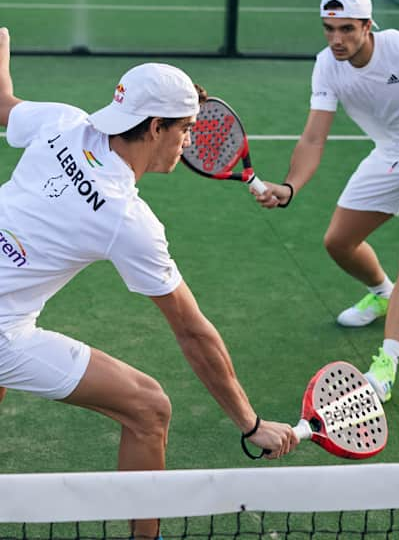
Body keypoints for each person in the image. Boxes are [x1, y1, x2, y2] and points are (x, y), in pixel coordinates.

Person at [0, 27, 298, 539]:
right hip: (6, 329)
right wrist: (251, 424)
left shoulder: (62, 122)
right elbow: (192, 332)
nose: (188, 144)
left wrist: (2, 48)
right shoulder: (126, 217)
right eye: (185, 130)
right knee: (149, 408)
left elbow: (2, 104)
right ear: (156, 126)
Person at [255, 0, 399, 404]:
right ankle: (384, 294)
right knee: (339, 242)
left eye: (346, 29)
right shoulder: (327, 65)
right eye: (329, 29)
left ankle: (387, 364)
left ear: (367, 25)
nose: (337, 39)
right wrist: (291, 186)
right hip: (391, 152)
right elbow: (313, 137)